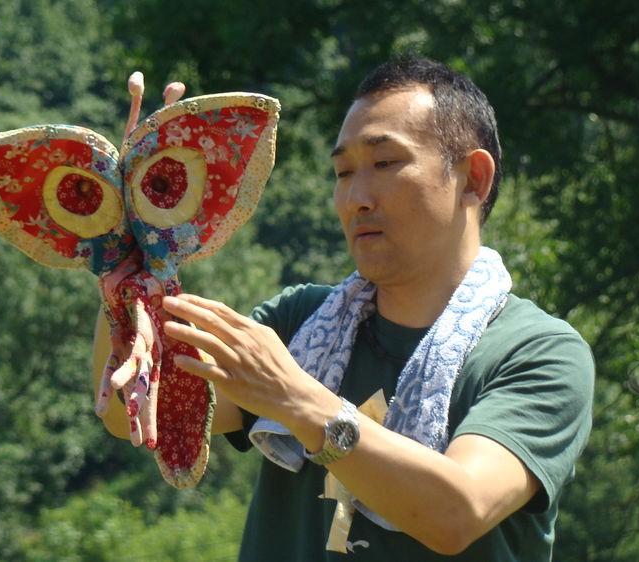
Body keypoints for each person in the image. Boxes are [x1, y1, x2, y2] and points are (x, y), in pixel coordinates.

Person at [154, 56, 593, 561]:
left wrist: (295, 399)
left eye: (384, 163)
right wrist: (139, 248)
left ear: (474, 178)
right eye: (343, 172)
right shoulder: (299, 322)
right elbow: (137, 411)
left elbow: (457, 513)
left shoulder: (538, 353)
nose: (356, 198)